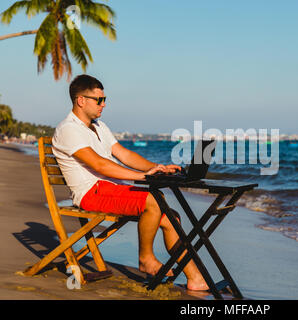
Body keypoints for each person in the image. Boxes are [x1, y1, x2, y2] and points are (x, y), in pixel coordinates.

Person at [52, 74, 208, 291]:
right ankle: (146, 258)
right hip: (90, 193)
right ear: (81, 100)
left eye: (105, 99)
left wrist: (156, 168)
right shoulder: (68, 129)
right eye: (99, 100)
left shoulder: (99, 127)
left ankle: (196, 279)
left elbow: (124, 154)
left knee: (171, 216)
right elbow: (100, 165)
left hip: (110, 189)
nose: (104, 104)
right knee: (153, 199)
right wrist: (145, 177)